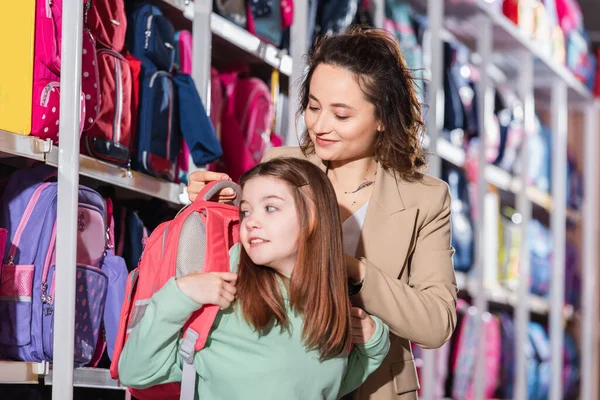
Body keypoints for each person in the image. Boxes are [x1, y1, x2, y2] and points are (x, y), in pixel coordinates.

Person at [187, 26, 458, 399]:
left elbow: (437, 323)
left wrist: (352, 269)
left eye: (341, 115)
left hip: (376, 386)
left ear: (383, 117)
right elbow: (240, 262)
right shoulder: (280, 164)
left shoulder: (425, 199)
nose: (318, 125)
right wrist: (221, 206)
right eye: (313, 107)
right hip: (281, 384)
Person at [118, 157, 391, 400]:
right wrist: (179, 294)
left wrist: (375, 344)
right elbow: (135, 373)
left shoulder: (330, 306)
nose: (251, 222)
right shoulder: (223, 292)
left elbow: (326, 386)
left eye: (270, 208)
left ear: (314, 217)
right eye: (246, 211)